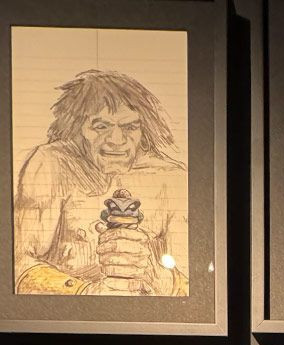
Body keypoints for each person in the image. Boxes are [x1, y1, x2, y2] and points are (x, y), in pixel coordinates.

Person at [14, 69, 188, 296]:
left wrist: (158, 277)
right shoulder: (51, 163)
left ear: (143, 130)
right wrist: (85, 292)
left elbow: (193, 283)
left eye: (130, 127)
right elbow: (18, 264)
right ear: (77, 128)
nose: (116, 140)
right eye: (101, 126)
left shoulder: (170, 177)